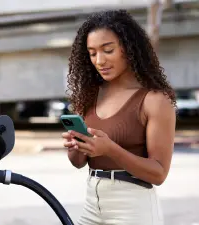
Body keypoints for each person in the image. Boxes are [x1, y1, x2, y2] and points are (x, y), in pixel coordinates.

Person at [62, 10, 176, 225]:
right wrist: (76, 148)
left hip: (133, 209)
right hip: (92, 205)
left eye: (108, 50)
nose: (99, 60)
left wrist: (110, 149)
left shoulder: (154, 100)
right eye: (92, 53)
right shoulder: (89, 95)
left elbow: (159, 174)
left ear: (129, 48)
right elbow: (79, 163)